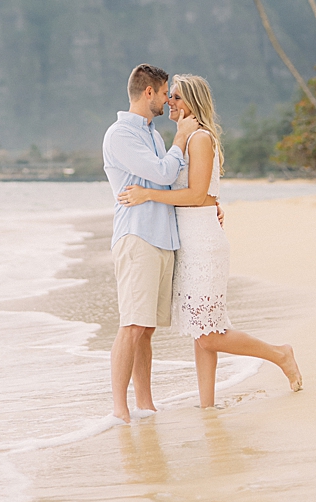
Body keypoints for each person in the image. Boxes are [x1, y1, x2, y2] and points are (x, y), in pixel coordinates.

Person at [119, 73, 303, 405]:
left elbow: (195, 194)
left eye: (175, 96)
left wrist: (147, 194)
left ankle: (280, 354)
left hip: (203, 243)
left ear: (191, 102)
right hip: (188, 242)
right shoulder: (181, 140)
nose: (169, 102)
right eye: (168, 95)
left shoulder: (199, 138)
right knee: (201, 330)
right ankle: (207, 404)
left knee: (209, 333)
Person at [103, 63, 202, 423]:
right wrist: (179, 141)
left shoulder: (153, 135)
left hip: (161, 237)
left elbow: (167, 182)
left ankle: (145, 404)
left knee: (146, 328)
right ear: (149, 93)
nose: (167, 99)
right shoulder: (120, 135)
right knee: (131, 324)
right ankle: (119, 409)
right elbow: (163, 172)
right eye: (164, 93)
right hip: (137, 236)